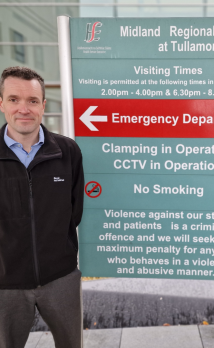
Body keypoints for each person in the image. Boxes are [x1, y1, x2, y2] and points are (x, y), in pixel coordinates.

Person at [0, 66, 84, 348]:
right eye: (14, 99)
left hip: (61, 279)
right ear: (1, 103)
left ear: (43, 105)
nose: (24, 108)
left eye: (32, 101)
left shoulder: (67, 151)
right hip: (5, 284)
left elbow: (74, 211)